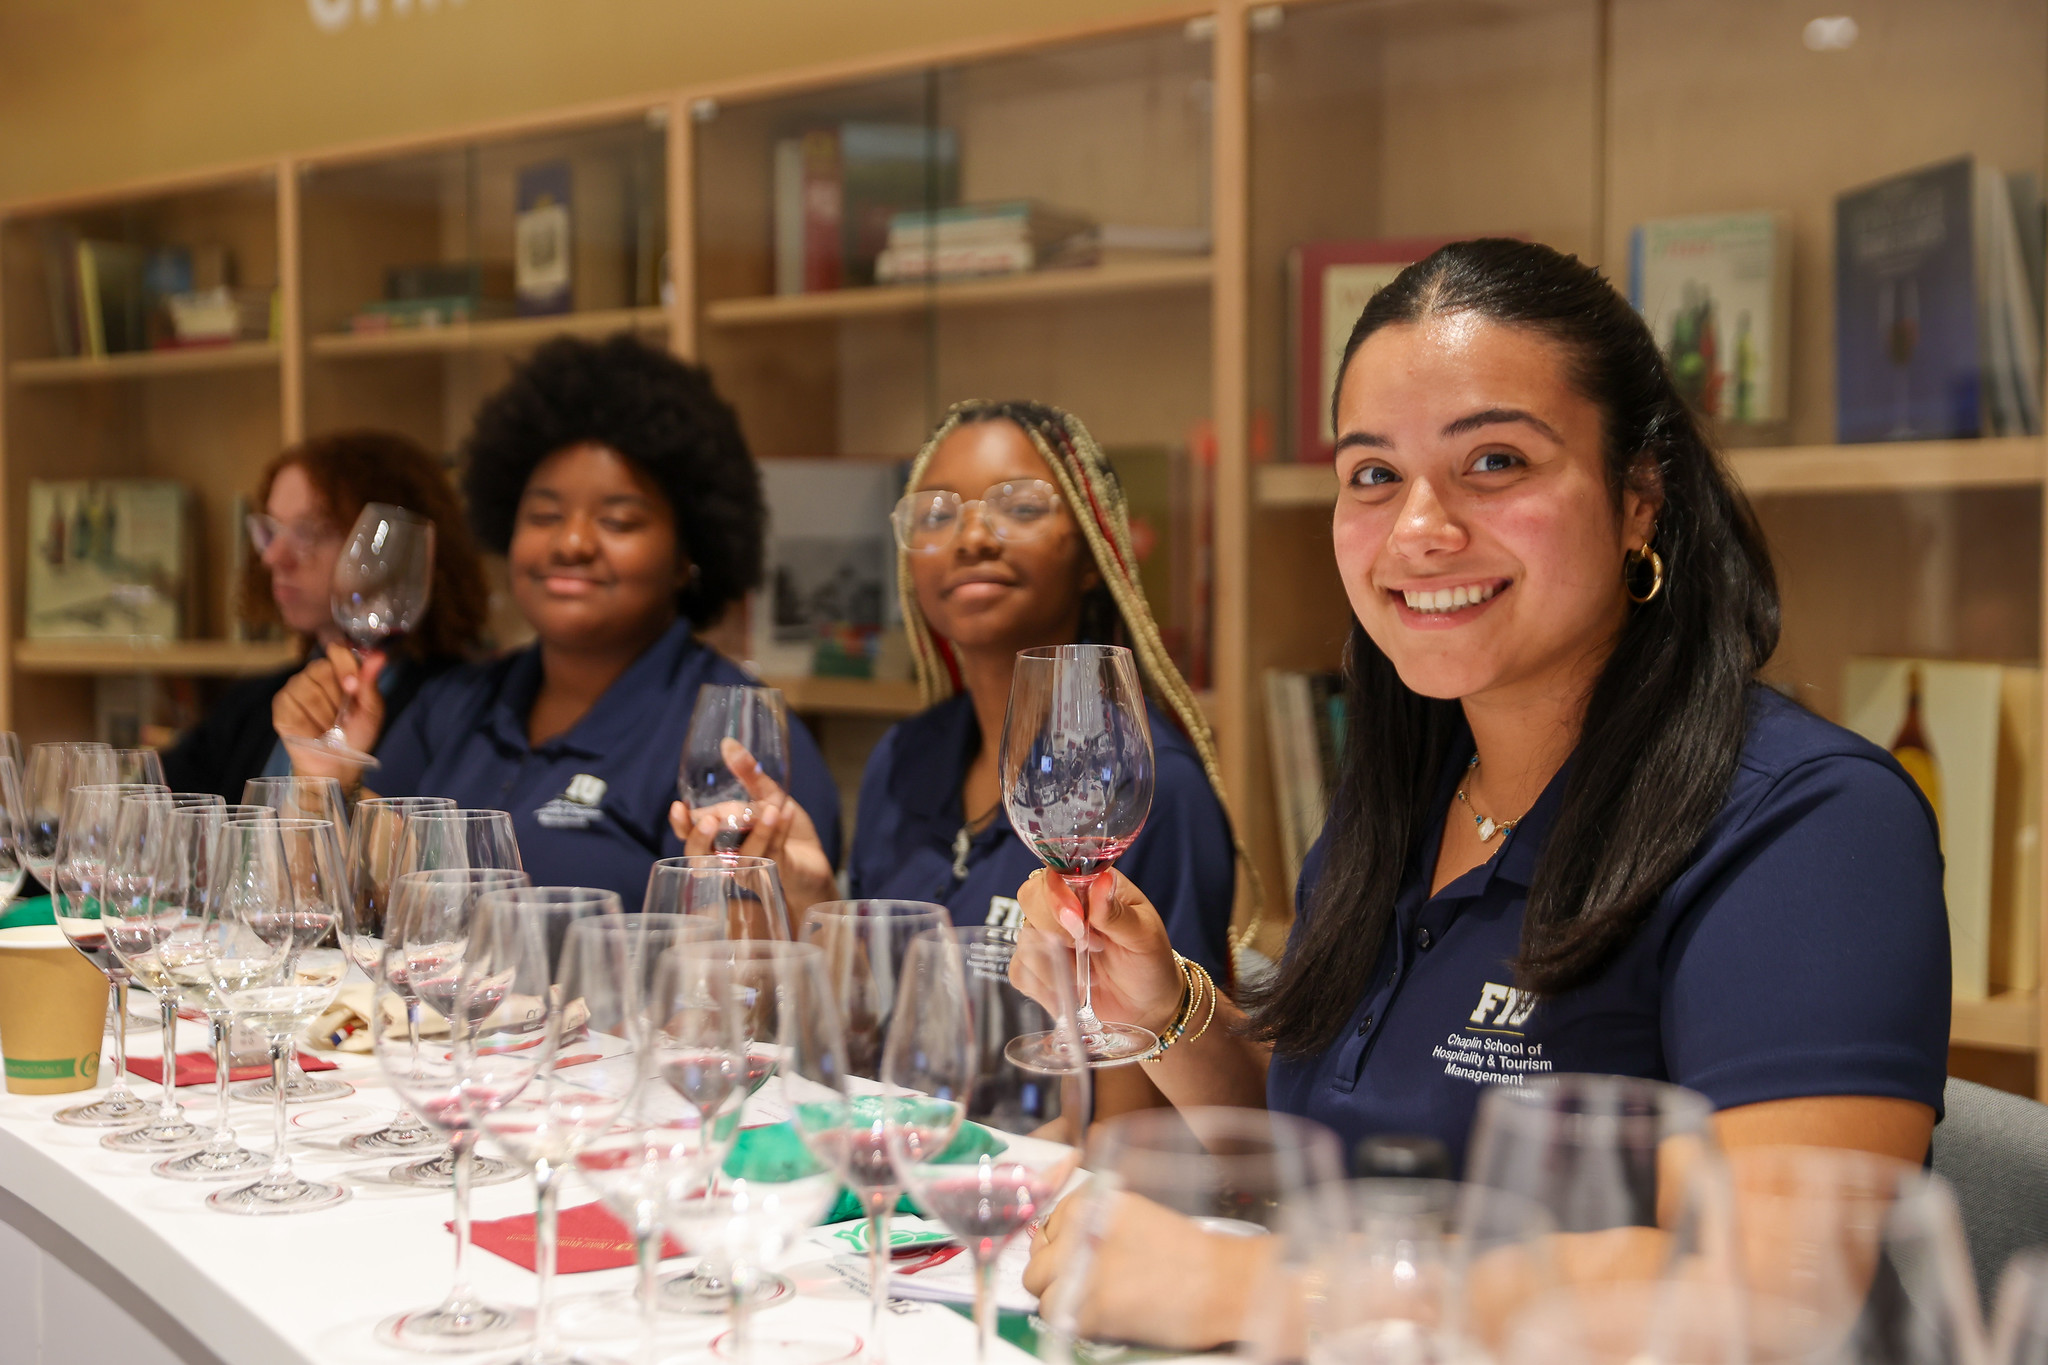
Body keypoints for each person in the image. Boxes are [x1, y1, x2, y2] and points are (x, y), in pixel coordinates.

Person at [1014, 240, 1951, 1347]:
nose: (1419, 528)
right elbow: (1335, 1149)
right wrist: (1166, 1013)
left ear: (1639, 499)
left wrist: (1258, 1289)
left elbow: (1775, 1289)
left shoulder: (1812, 827)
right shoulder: (1410, 793)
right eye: (1372, 474)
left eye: (1495, 461)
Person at [672, 399, 1241, 984]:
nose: (971, 538)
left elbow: (1169, 1031)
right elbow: (872, 1020)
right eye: (937, 515)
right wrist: (809, 895)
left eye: (1020, 507)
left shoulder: (1148, 789)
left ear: (1093, 552)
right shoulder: (902, 759)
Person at [274, 334, 842, 904]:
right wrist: (325, 779)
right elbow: (349, 907)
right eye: (545, 515)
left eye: (618, 522)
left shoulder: (732, 735)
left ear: (685, 556)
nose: (572, 543)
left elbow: (766, 942)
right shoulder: (457, 704)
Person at [161, 430, 488, 800]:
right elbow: (152, 802)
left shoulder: (462, 709)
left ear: (396, 554)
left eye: (309, 532)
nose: (273, 557)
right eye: (270, 530)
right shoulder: (253, 701)